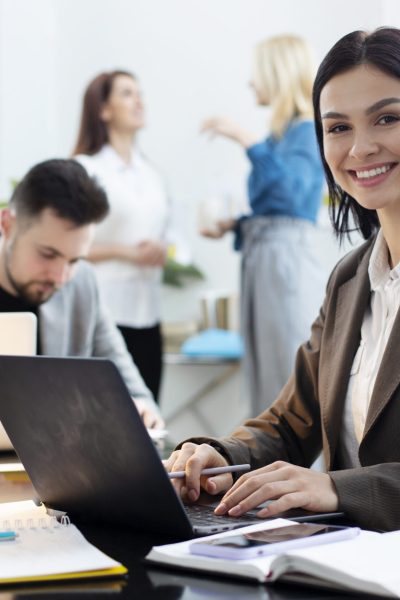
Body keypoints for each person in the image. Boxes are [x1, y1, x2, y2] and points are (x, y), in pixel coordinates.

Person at [165, 26, 400, 532]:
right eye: (337, 128)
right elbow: (292, 423)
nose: (359, 148)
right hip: (345, 560)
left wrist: (337, 487)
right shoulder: (350, 279)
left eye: (387, 118)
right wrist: (215, 454)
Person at [200, 35, 325, 416]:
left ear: (277, 73)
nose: (252, 82)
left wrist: (245, 139)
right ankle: (266, 468)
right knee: (263, 373)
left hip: (283, 262)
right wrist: (235, 225)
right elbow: (278, 207)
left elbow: (290, 196)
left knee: (285, 372)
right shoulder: (280, 136)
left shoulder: (306, 130)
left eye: (257, 73)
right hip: (265, 258)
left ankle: (297, 473)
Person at [0, 158, 163, 428]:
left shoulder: (82, 284)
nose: (60, 277)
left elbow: (136, 391)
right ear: (7, 225)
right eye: (48, 254)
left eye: (74, 260)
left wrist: (140, 410)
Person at [73, 70, 173, 403]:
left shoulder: (152, 173)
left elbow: (168, 233)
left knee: (148, 419)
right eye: (127, 94)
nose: (139, 100)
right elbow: (67, 246)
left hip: (149, 315)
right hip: (107, 314)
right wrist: (126, 252)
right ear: (103, 110)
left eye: (140, 92)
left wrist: (163, 248)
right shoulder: (86, 169)